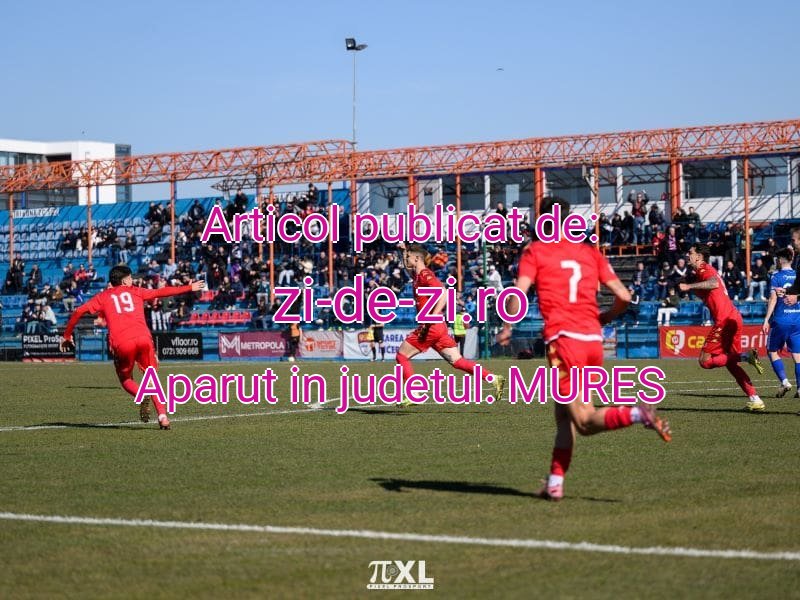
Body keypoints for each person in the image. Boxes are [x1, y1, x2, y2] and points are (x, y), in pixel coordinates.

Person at [496, 197, 670, 501]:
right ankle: (555, 483)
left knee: (585, 421)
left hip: (565, 342)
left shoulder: (536, 251)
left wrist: (508, 325)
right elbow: (624, 296)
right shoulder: (590, 252)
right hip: (591, 341)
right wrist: (605, 317)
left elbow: (518, 293)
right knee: (563, 416)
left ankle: (636, 414)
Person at [60, 264, 204, 429]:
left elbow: (78, 311)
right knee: (151, 378)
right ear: (123, 281)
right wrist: (189, 287)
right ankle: (163, 416)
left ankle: (141, 395)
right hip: (143, 338)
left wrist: (67, 336)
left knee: (126, 379)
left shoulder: (103, 296)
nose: (132, 280)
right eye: (129, 278)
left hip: (122, 342)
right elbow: (160, 292)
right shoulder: (136, 291)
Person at [395, 244, 505, 407]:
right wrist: (403, 250)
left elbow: (443, 294)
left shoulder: (425, 275)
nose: (405, 259)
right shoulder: (417, 275)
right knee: (458, 361)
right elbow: (407, 265)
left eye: (408, 257)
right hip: (438, 327)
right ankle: (494, 378)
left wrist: (431, 316)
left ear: (417, 258)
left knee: (402, 356)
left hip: (431, 326)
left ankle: (414, 393)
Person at [679, 245, 765, 412]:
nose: (688, 255)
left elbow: (713, 283)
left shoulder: (705, 269)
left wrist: (689, 287)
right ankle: (755, 399)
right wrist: (688, 287)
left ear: (699, 257)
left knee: (705, 361)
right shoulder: (701, 273)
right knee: (731, 364)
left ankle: (745, 356)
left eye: (690, 253)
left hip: (724, 321)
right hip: (733, 318)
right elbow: (706, 291)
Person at [762, 248, 800, 399]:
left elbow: (773, 298)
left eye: (777, 259)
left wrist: (766, 319)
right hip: (797, 319)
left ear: (780, 259)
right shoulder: (797, 275)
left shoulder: (776, 276)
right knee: (797, 355)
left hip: (781, 320)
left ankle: (784, 382)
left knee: (772, 351)